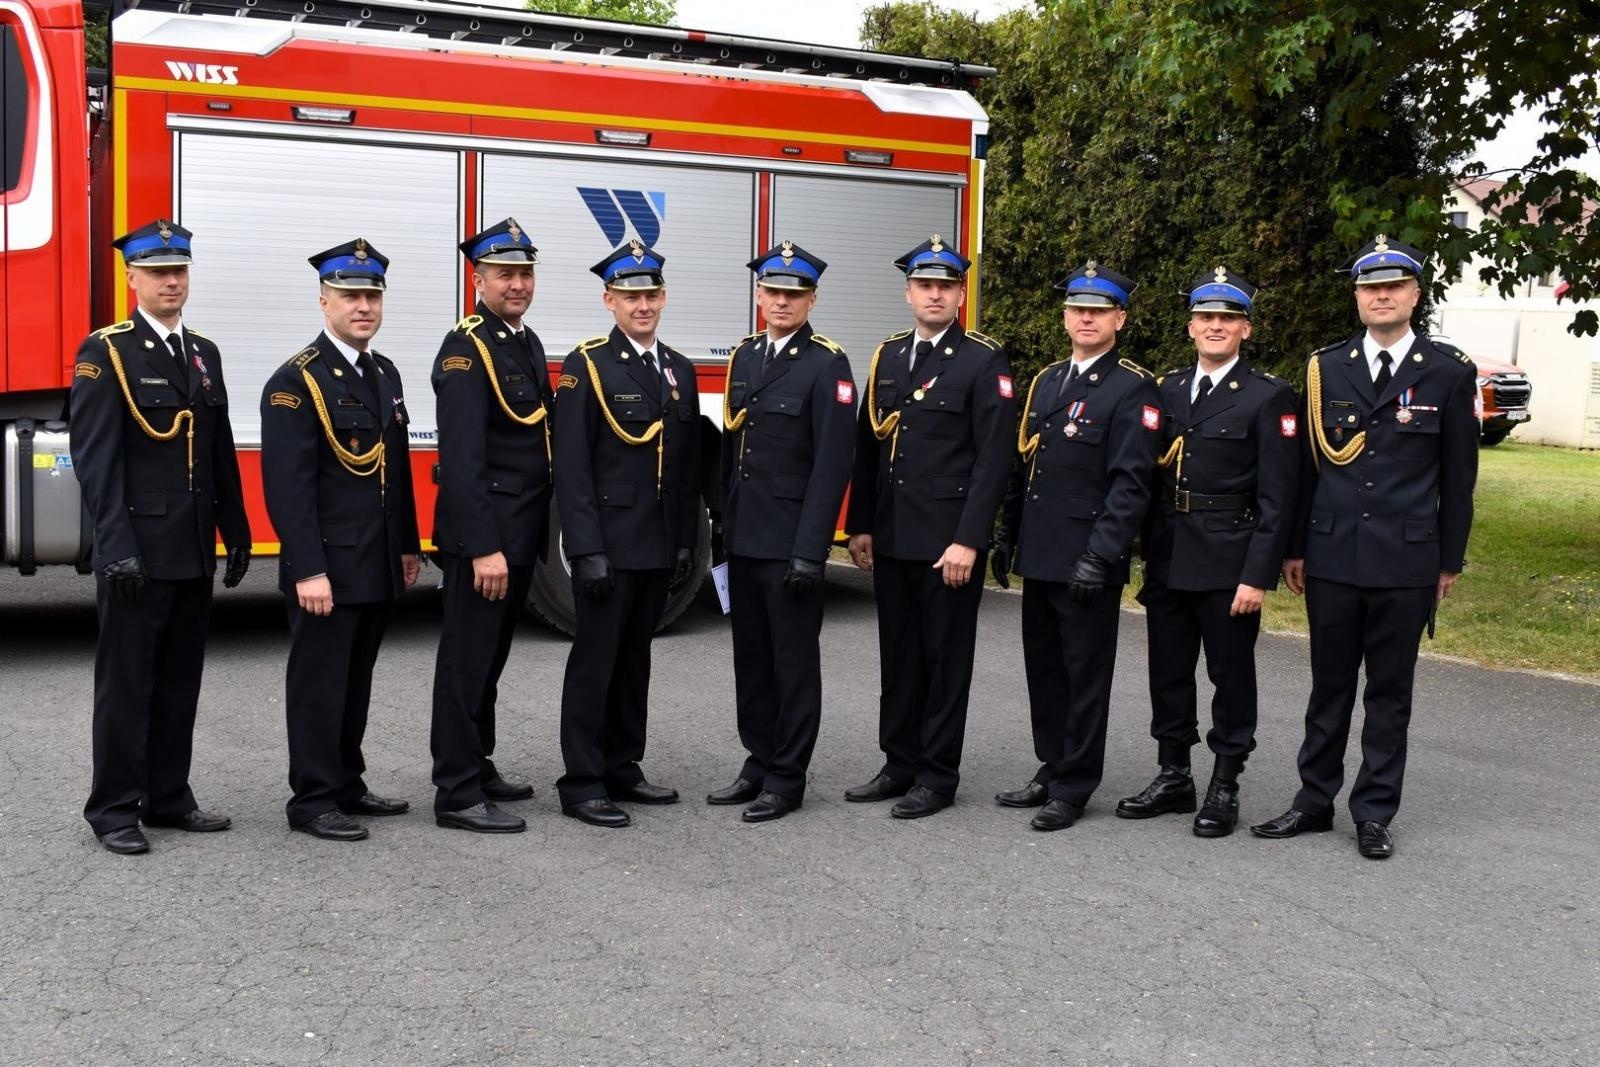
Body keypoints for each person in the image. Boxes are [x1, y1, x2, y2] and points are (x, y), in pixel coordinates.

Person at [1253, 235, 1478, 859]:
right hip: (1332, 555)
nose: (1382, 296)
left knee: (1389, 691)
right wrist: (1295, 547)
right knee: (1328, 686)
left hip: (1406, 559)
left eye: (1394, 286)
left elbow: (1459, 480)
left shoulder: (1449, 371)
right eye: (1370, 288)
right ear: (1356, 298)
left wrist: (1448, 560)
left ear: (1414, 294)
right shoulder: (1326, 368)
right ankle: (1312, 801)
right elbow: (1303, 469)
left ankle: (1374, 810)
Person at [69, 219, 251, 855]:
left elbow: (219, 446)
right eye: (157, 272)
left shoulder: (203, 351)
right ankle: (115, 808)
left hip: (193, 544)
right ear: (132, 279)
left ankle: (169, 796)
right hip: (138, 549)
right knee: (127, 682)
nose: (171, 281)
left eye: (178, 270)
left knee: (180, 677)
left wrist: (236, 524)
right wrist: (113, 546)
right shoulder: (107, 352)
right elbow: (96, 460)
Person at [1118, 267, 1298, 837]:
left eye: (1228, 319)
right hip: (1170, 553)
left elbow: (1279, 496)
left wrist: (1257, 576)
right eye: (1206, 318)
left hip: (1229, 558)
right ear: (1191, 326)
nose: (1215, 327)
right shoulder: (1165, 390)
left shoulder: (1270, 396)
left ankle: (1225, 781)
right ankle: (1174, 775)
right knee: (1167, 672)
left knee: (1229, 675)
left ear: (1246, 328)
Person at [842, 235, 1015, 819]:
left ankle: (937, 774)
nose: (934, 294)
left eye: (945, 286)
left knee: (945, 661)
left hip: (948, 544)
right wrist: (859, 525)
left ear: (960, 294)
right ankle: (899, 762)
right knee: (900, 655)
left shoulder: (983, 360)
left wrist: (969, 539)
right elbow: (869, 444)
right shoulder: (888, 356)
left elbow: (994, 459)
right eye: (924, 285)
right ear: (909, 292)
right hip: (892, 537)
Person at [259, 238, 422, 842]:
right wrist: (305, 568)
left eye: (372, 296)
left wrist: (407, 545)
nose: (363, 306)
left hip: (374, 560)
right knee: (318, 683)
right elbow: (288, 487)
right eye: (350, 295)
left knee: (356, 680)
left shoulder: (384, 373)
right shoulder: (296, 381)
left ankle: (347, 781)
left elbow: (395, 470)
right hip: (326, 565)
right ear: (323, 301)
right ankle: (313, 799)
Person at [991, 261, 1161, 831]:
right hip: (1041, 552)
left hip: (1088, 558)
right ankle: (1052, 762)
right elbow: (1028, 466)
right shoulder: (1047, 381)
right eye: (1077, 309)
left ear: (1120, 318)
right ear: (1065, 316)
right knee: (1045, 669)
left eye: (1098, 310)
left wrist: (1101, 553)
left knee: (1085, 674)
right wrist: (1005, 536)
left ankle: (1075, 783)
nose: (1085, 318)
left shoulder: (1132, 387)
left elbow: (1131, 483)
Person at [706, 240, 857, 823]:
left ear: (811, 298)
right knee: (753, 659)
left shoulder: (827, 364)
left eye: (794, 294)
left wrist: (811, 551)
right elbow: (731, 448)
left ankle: (788, 776)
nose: (781, 302)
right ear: (759, 295)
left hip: (791, 542)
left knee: (793, 663)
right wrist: (722, 524)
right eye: (772, 292)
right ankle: (758, 758)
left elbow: (831, 466)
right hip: (745, 537)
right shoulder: (746, 357)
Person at [551, 240, 700, 829]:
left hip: (656, 547)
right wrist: (584, 549)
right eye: (630, 296)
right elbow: (573, 467)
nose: (642, 306)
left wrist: (685, 541)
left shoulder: (678, 369)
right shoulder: (585, 366)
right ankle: (582, 781)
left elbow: (683, 469)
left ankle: (621, 764)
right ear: (608, 299)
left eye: (651, 294)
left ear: (663, 297)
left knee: (635, 660)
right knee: (595, 662)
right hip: (608, 546)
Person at [427, 218, 552, 835]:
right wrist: (483, 549)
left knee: (492, 658)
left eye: (525, 273)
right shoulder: (466, 348)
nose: (517, 284)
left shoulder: (521, 340)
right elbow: (463, 458)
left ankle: (478, 761)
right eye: (505, 274)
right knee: (465, 660)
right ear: (479, 278)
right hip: (487, 538)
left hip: (519, 533)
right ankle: (455, 791)